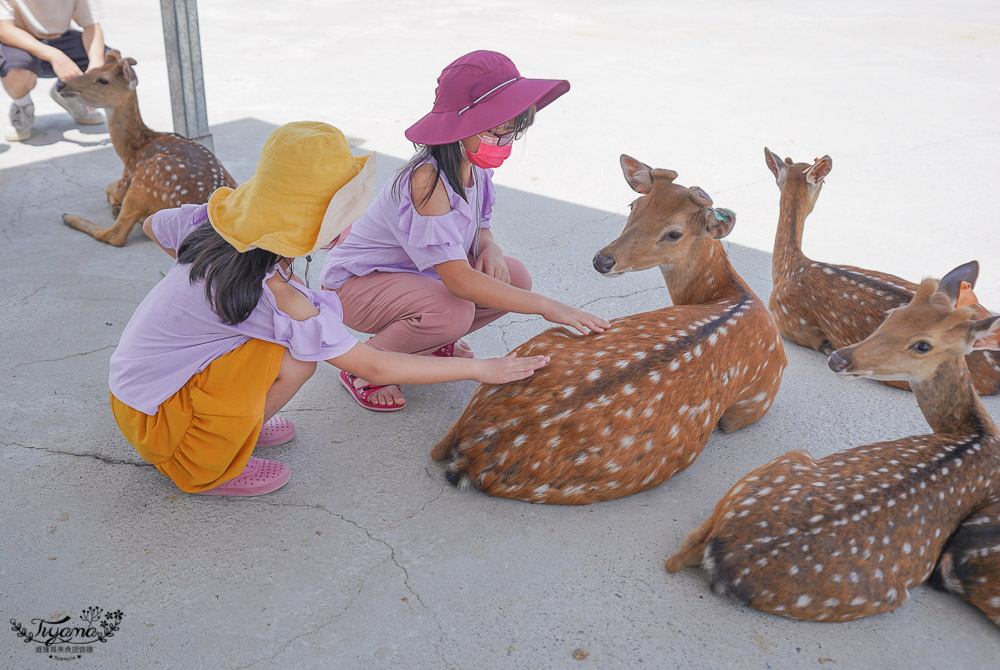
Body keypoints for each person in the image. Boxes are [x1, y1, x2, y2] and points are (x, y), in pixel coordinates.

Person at [108, 121, 549, 497]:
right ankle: (209, 462)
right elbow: (372, 366)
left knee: (277, 347)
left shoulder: (214, 220)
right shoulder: (281, 296)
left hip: (137, 390)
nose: (353, 224)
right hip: (159, 422)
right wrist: (481, 370)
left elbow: (152, 225)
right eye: (344, 214)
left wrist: (203, 299)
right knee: (300, 359)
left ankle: (231, 420)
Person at [321, 50, 609, 412]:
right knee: (451, 309)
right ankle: (367, 366)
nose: (505, 142)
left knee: (514, 277)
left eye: (512, 133)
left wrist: (490, 248)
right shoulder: (427, 179)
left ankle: (426, 345)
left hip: (417, 277)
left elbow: (481, 227)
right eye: (498, 131)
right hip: (357, 286)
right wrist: (548, 307)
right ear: (462, 127)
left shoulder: (476, 168)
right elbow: (457, 281)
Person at [0, 0, 108, 142]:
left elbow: (92, 26)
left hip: (61, 36)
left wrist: (96, 68)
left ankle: (68, 93)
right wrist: (54, 55)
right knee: (17, 71)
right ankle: (22, 105)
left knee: (111, 66)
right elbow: (4, 30)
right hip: (21, 40)